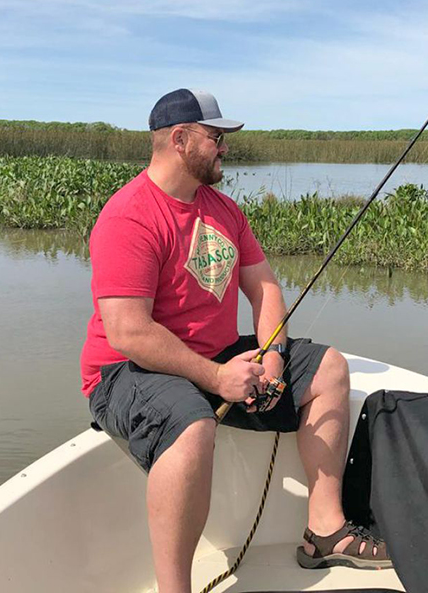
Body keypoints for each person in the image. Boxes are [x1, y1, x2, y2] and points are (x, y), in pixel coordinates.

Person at [80, 89, 390, 592]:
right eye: (216, 137)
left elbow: (264, 287)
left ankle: (326, 530)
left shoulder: (224, 210)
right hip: (126, 371)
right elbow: (128, 331)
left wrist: (271, 358)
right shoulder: (129, 216)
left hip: (216, 356)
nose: (226, 147)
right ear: (180, 140)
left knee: (328, 369)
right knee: (191, 425)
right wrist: (217, 378)